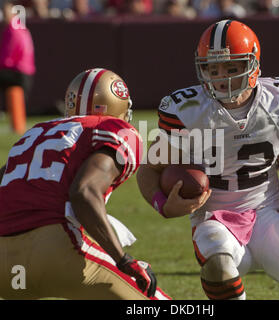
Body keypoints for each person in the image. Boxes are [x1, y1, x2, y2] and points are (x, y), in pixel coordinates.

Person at [136, 20, 279, 300]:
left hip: (267, 214)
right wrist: (163, 205)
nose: (221, 77)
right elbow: (149, 168)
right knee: (218, 265)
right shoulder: (189, 111)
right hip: (214, 218)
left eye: (231, 67)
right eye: (213, 68)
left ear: (253, 66)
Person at [0, 68, 170, 300]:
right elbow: (85, 193)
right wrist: (123, 259)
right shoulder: (116, 130)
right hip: (55, 251)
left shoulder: (37, 132)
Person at [0, 0, 35, 134]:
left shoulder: (12, 29)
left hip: (18, 74)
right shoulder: (21, 27)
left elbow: (6, 58)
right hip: (25, 74)